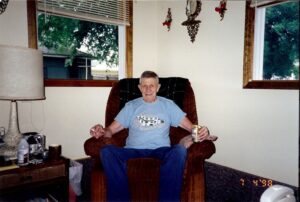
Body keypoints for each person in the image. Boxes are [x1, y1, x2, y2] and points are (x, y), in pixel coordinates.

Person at [90, 71, 212, 202]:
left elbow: (191, 127)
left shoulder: (168, 105)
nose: (148, 89)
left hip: (161, 150)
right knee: (107, 151)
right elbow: (110, 130)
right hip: (132, 150)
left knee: (179, 151)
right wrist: (101, 130)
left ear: (158, 87)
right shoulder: (131, 106)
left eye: (152, 85)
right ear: (139, 87)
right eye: (144, 85)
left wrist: (202, 132)